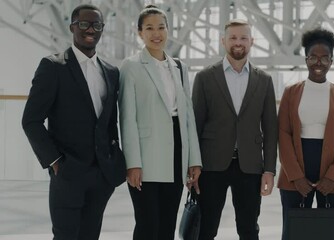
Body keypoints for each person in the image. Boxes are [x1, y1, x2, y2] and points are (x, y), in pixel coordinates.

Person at [21, 4, 126, 240]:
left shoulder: (111, 72)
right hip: (68, 173)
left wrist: (114, 158)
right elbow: (31, 120)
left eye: (97, 24)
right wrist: (55, 162)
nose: (91, 29)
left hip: (101, 176)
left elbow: (110, 122)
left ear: (102, 29)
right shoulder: (53, 66)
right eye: (84, 23)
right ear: (72, 27)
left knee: (91, 235)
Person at [118, 6, 202, 240]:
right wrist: (132, 163)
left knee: (167, 226)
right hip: (146, 157)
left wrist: (194, 159)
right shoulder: (131, 66)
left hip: (176, 154)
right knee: (147, 225)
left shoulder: (179, 67)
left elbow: (188, 117)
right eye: (149, 28)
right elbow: (127, 118)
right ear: (139, 33)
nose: (157, 33)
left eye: (161, 27)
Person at [192, 19, 278, 240]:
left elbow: (270, 129)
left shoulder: (264, 80)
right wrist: (192, 164)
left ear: (251, 42)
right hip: (211, 166)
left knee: (249, 229)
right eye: (233, 38)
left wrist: (269, 169)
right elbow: (195, 125)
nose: (238, 43)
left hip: (249, 166)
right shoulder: (204, 77)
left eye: (243, 38)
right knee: (206, 229)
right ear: (223, 41)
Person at [277, 28, 334, 240]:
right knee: (294, 232)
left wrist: (333, 177)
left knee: (331, 232)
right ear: (306, 59)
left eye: (324, 58)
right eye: (313, 57)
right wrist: (295, 176)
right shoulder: (290, 92)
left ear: (331, 61)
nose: (318, 63)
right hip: (295, 169)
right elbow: (283, 134)